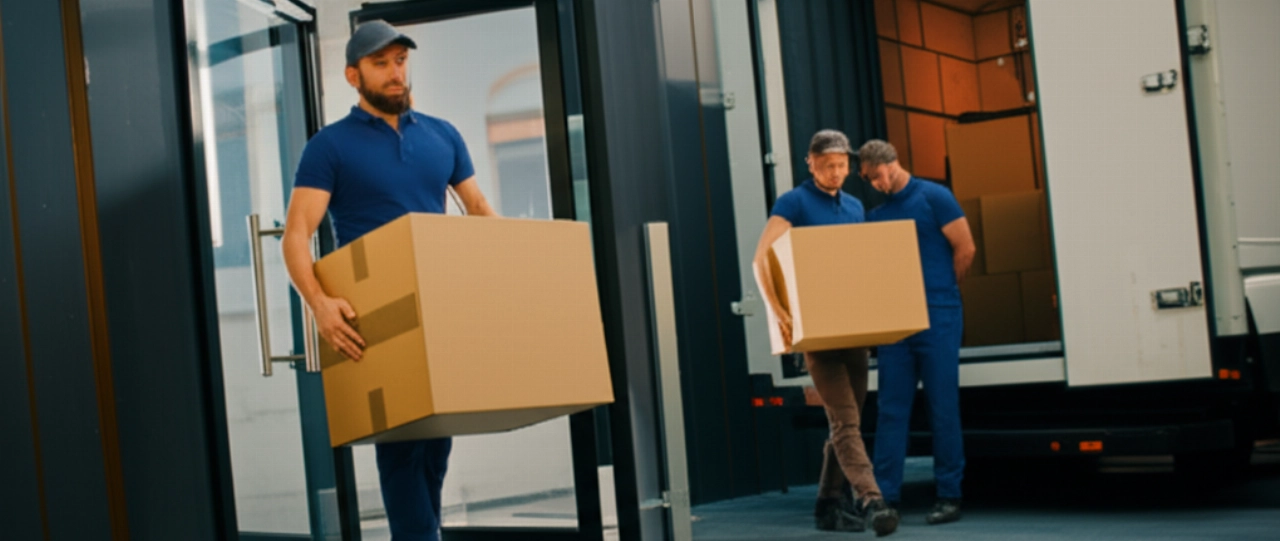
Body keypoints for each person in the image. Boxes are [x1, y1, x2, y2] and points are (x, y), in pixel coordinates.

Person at [281, 20, 497, 541]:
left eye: (400, 61)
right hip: (375, 312)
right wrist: (320, 305)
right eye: (381, 64)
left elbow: (478, 210)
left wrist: (507, 277)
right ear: (354, 75)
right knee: (401, 444)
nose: (396, 73)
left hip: (441, 306)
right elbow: (295, 236)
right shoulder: (329, 146)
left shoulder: (443, 135)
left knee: (436, 441)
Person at [754, 129, 899, 536]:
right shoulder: (794, 203)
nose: (835, 172)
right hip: (817, 334)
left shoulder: (854, 206)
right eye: (827, 165)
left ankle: (827, 506)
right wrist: (780, 312)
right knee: (847, 420)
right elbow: (762, 256)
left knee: (845, 419)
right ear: (810, 163)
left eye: (841, 165)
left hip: (852, 330)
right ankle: (872, 501)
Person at [859, 139, 974, 526]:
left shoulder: (934, 197)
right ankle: (885, 498)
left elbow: (965, 247)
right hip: (897, 321)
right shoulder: (876, 215)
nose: (874, 184)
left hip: (939, 314)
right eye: (869, 180)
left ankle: (949, 495)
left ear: (891, 164)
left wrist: (942, 291)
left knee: (943, 406)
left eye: (876, 176)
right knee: (891, 410)